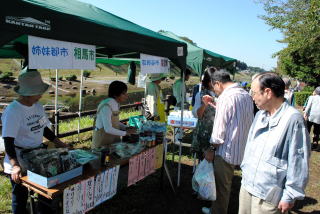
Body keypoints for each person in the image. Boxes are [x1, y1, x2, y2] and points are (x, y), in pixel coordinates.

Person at [239, 72, 310, 214]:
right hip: (247, 186)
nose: (252, 97)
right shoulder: (260, 114)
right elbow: (250, 146)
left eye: (254, 92)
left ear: (267, 92)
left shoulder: (293, 119)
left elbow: (299, 160)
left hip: (268, 195)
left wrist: (290, 195)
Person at [1, 68, 69, 214]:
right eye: (38, 91)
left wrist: (61, 144)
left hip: (38, 156)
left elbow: (44, 129)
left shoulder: (38, 107)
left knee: (44, 193)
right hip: (19, 158)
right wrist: (15, 166)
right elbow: (8, 141)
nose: (41, 94)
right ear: (27, 93)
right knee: (20, 197)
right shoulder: (13, 111)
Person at [202, 70, 254, 214]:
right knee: (237, 185)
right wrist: (213, 103)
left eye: (214, 88)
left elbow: (219, 129)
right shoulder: (245, 94)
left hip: (226, 149)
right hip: (242, 147)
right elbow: (234, 115)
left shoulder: (226, 97)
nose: (215, 91)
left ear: (217, 83)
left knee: (222, 186)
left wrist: (211, 148)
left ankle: (217, 211)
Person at [92, 81, 136, 149]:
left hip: (112, 139)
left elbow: (114, 122)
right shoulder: (106, 106)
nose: (126, 95)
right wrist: (126, 133)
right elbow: (107, 128)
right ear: (115, 95)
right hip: (102, 139)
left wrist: (125, 127)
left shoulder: (116, 104)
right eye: (123, 94)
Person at [191, 67, 216, 159]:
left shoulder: (221, 95)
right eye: (212, 81)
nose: (215, 84)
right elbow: (197, 115)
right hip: (204, 133)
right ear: (208, 81)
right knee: (203, 163)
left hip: (217, 133)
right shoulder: (200, 95)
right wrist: (205, 104)